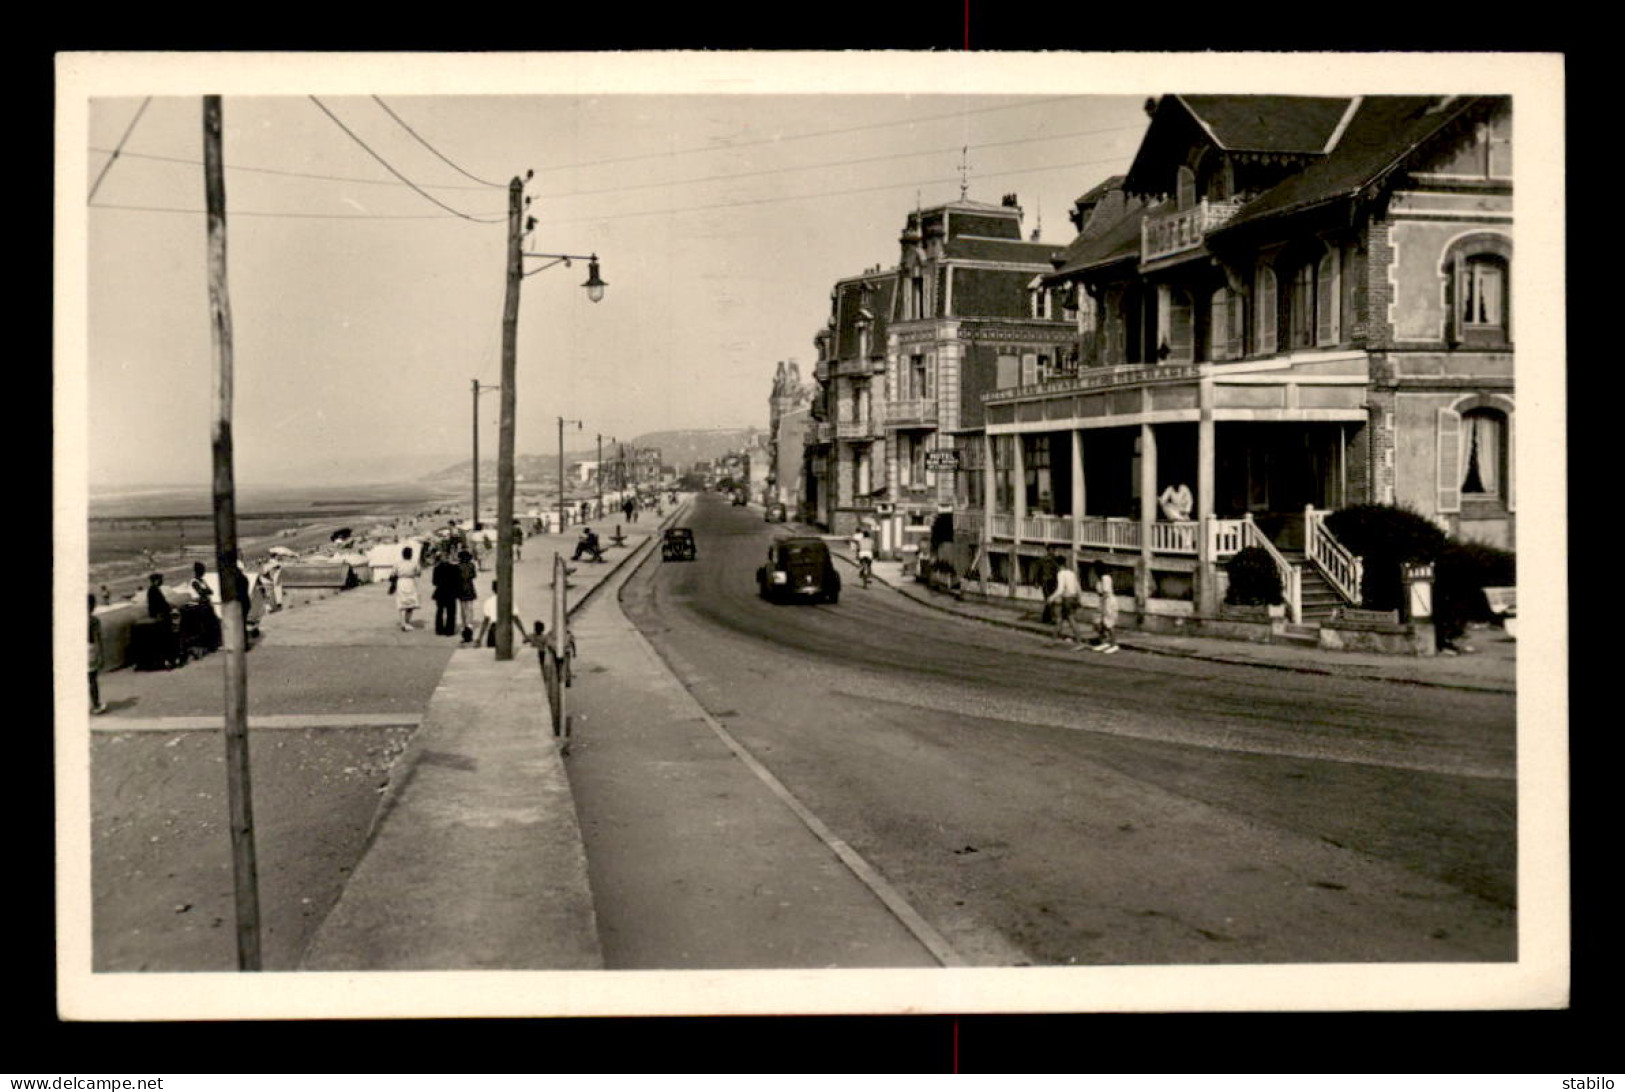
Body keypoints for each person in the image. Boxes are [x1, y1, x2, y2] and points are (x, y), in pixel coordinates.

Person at [478, 580, 536, 649]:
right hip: (505, 628)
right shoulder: (509, 601)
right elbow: (516, 619)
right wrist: (524, 635)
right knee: (506, 651)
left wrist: (479, 638)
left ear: (493, 589)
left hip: (493, 629)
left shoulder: (488, 602)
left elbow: (485, 621)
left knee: (492, 651)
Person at [1047, 557, 1084, 646]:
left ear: (1057, 565)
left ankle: (1079, 642)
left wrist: (1051, 598)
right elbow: (1078, 587)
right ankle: (1053, 641)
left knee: (1070, 620)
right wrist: (1079, 599)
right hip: (1073, 597)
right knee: (1061, 619)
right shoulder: (1071, 573)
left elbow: (1060, 589)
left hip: (1067, 599)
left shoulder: (1061, 574)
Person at [1089, 564, 1120, 653]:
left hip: (1108, 602)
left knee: (1108, 623)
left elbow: (1106, 593)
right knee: (1098, 622)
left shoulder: (1105, 578)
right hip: (1102, 601)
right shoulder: (1099, 580)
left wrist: (1103, 607)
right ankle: (1104, 641)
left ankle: (1114, 644)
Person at [431, 550, 461, 636]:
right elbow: (457, 581)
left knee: (439, 611)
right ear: (449, 558)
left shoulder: (436, 568)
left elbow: (434, 582)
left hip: (440, 591)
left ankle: (439, 629)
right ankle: (449, 630)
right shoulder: (455, 568)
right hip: (451, 592)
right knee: (451, 612)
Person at [392, 545, 422, 632]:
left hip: (401, 582)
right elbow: (419, 573)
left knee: (402, 603)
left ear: (402, 554)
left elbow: (393, 574)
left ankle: (403, 623)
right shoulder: (414, 563)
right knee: (411, 603)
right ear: (411, 555)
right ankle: (407, 622)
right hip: (410, 582)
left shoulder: (398, 563)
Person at [88, 594, 107, 715]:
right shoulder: (94, 620)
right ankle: (96, 705)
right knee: (92, 679)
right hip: (89, 649)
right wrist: (101, 655)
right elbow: (97, 638)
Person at [456, 549, 480, 642]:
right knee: (470, 607)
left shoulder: (458, 566)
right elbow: (474, 576)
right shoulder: (471, 565)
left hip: (460, 587)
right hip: (469, 586)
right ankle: (469, 624)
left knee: (462, 607)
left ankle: (464, 624)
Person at [1036, 547, 1062, 624]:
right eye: (1051, 550)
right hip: (1045, 582)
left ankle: (1046, 618)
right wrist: (1036, 582)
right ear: (1047, 551)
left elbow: (1058, 571)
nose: (1052, 552)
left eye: (1053, 550)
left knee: (1051, 600)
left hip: (1053, 582)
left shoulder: (1056, 560)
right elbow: (1038, 571)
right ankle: (1050, 618)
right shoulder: (1043, 560)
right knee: (1048, 599)